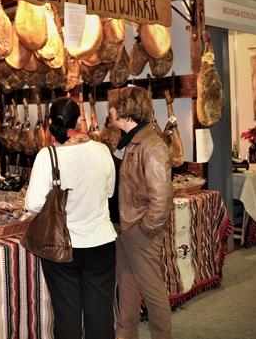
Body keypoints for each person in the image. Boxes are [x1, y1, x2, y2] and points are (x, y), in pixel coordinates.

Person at [24, 97, 117, 339]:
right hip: (101, 241)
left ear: (49, 122)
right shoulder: (102, 150)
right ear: (79, 120)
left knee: (67, 315)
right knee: (101, 313)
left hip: (62, 246)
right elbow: (109, 192)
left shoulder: (47, 156)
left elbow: (33, 204)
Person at [108, 86, 173, 339]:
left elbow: (161, 198)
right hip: (124, 227)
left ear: (124, 109)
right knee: (127, 288)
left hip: (138, 230)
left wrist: (144, 229)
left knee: (153, 291)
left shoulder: (151, 143)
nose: (109, 109)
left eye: (112, 104)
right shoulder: (126, 141)